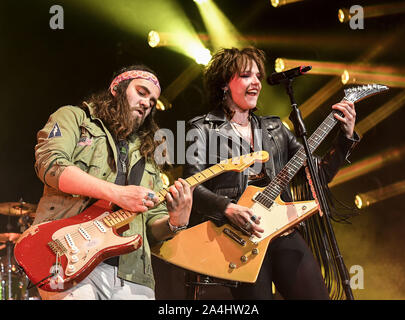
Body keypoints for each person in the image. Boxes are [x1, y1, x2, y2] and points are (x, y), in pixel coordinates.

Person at [184, 47, 360, 300]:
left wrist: (344, 138)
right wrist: (228, 208)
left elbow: (318, 175)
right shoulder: (202, 129)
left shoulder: (275, 128)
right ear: (224, 83)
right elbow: (191, 186)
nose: (256, 81)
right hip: (238, 237)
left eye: (258, 75)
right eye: (246, 75)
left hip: (282, 231)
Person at [32, 64, 193, 300]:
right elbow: (51, 164)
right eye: (141, 92)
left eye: (152, 100)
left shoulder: (151, 150)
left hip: (134, 274)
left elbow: (151, 227)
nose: (147, 103)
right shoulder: (74, 118)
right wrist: (116, 194)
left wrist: (175, 222)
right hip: (69, 255)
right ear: (117, 88)